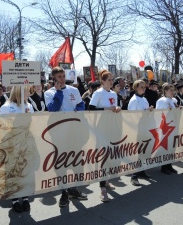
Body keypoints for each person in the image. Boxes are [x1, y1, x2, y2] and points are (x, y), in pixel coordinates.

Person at [44, 66, 87, 207]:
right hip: (58, 132)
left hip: (74, 131)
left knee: (75, 159)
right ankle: (63, 192)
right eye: (59, 77)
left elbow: (81, 104)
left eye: (63, 76)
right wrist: (58, 92)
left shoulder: (73, 90)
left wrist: (78, 109)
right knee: (61, 162)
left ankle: (73, 188)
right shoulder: (49, 93)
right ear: (53, 79)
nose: (62, 79)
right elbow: (53, 108)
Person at [89, 69, 121, 202]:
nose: (111, 82)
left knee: (110, 154)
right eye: (109, 79)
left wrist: (117, 108)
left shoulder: (113, 93)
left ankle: (106, 180)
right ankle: (102, 188)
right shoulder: (98, 93)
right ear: (102, 81)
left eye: (112, 80)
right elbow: (90, 108)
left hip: (112, 127)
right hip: (101, 128)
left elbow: (115, 107)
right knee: (103, 157)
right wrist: (107, 109)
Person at [0, 85, 33, 212]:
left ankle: (24, 198)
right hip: (10, 143)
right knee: (11, 172)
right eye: (27, 90)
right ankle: (14, 199)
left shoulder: (29, 106)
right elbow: (3, 126)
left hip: (25, 142)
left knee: (24, 170)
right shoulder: (6, 107)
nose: (29, 93)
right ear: (19, 91)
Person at [128, 80, 153, 185]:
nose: (144, 88)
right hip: (137, 129)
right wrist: (146, 112)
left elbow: (145, 112)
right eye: (141, 87)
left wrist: (149, 110)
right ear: (136, 88)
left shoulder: (144, 99)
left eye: (144, 87)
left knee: (144, 151)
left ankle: (141, 171)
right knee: (137, 153)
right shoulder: (134, 100)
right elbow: (132, 116)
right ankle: (134, 176)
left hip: (144, 128)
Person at [156, 83, 179, 175]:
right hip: (165, 127)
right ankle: (164, 166)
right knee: (165, 146)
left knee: (171, 146)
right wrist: (166, 111)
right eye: (170, 90)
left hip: (173, 125)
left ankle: (169, 165)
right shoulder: (161, 101)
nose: (172, 92)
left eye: (173, 90)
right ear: (165, 91)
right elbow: (158, 113)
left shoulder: (174, 100)